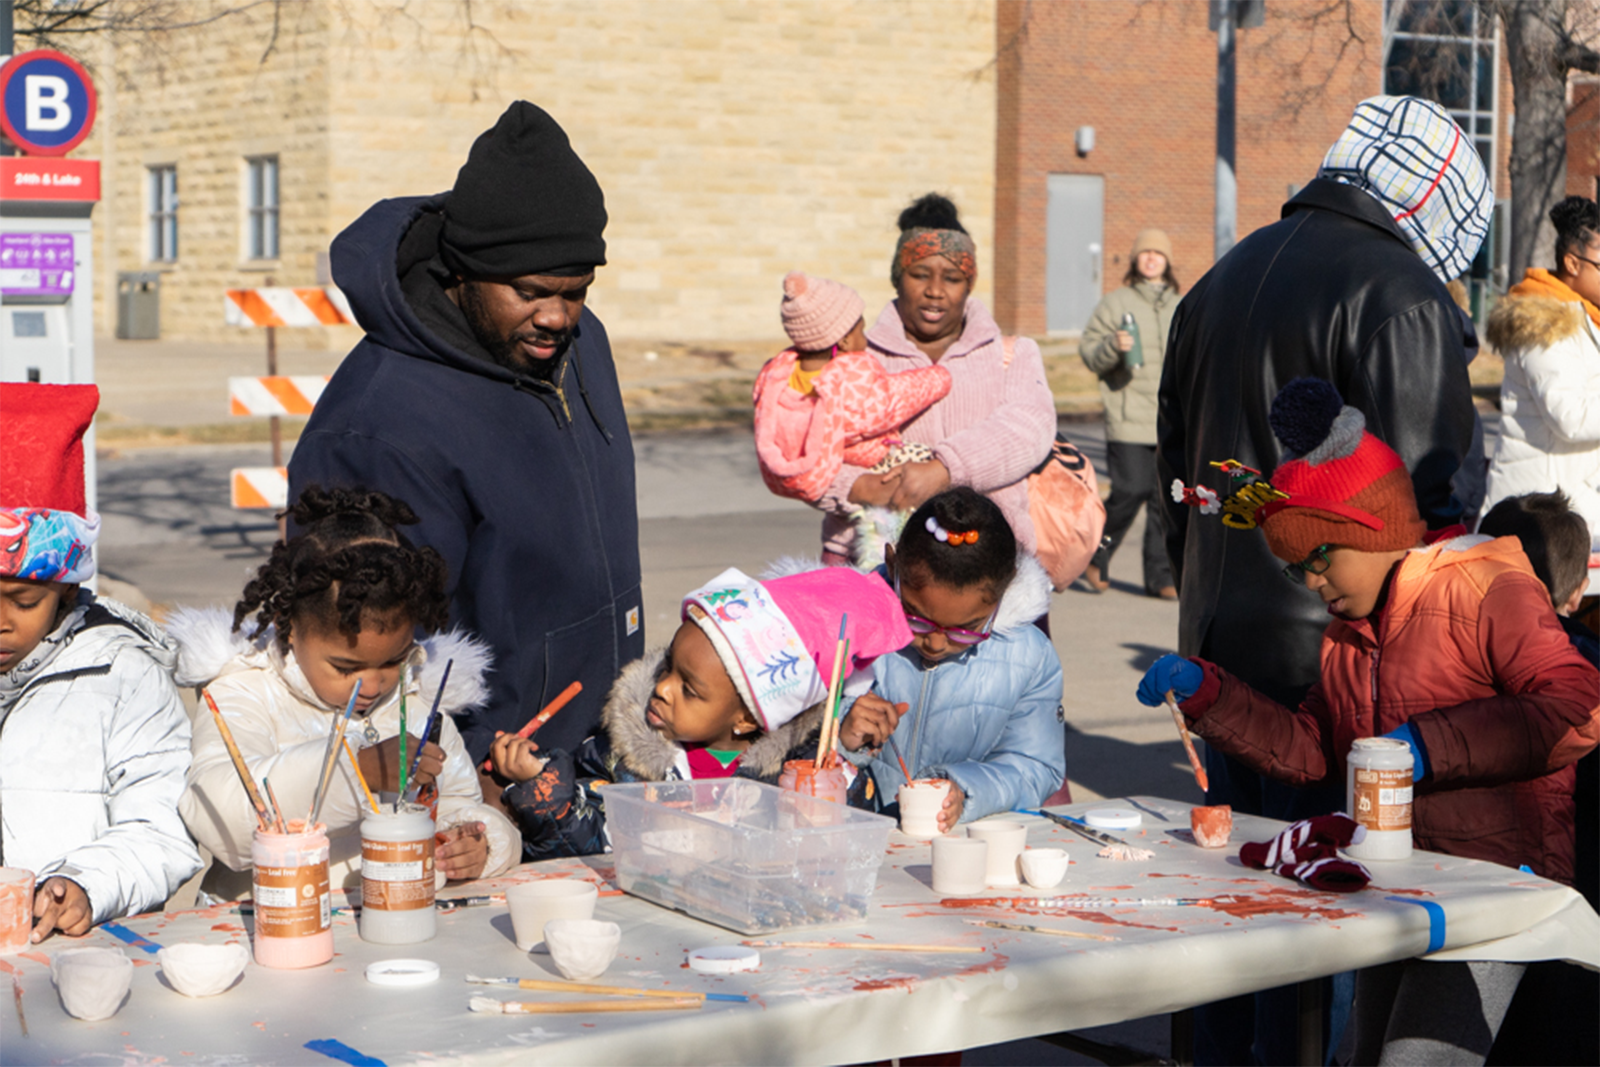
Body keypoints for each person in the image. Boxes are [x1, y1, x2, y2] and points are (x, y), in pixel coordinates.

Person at [1156, 96, 1488, 1063]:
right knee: (1328, 920)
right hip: (1339, 661)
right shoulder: (1402, 297)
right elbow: (1429, 502)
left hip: (1219, 641)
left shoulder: (1221, 277)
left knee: (1235, 899)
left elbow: (1187, 481)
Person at [1141, 378, 1600, 1066]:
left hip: (1495, 887)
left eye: (1319, 560)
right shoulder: (1350, 636)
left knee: (1417, 1059)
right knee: (1358, 1055)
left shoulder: (1485, 586)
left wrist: (1430, 745)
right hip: (1401, 880)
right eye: (1296, 571)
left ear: (1373, 527)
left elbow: (1577, 707)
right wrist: (1211, 693)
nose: (1313, 584)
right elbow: (1309, 751)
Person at [288, 100, 642, 765]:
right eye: (533, 291)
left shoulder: (577, 343)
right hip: (482, 780)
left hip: (597, 754)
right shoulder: (378, 425)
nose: (559, 317)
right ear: (464, 271)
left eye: (578, 290)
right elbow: (355, 656)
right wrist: (461, 779)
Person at [173, 486, 519, 901]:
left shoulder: (415, 693)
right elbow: (222, 822)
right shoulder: (243, 690)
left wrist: (479, 842)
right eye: (345, 668)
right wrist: (358, 771)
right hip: (268, 924)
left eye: (392, 661)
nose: (372, 686)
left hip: (391, 925)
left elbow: (458, 800)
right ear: (290, 628)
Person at [486, 566, 911, 860]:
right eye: (668, 666)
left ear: (746, 719)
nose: (663, 688)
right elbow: (587, 842)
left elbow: (847, 837)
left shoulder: (792, 770)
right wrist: (543, 789)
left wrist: (843, 765)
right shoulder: (622, 759)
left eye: (689, 689)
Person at [0, 383, 201, 943]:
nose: (1, 622)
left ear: (65, 592)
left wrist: (85, 884)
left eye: (23, 601)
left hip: (65, 964)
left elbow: (159, 828)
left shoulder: (122, 676)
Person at [814, 193, 1057, 565]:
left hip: (987, 564)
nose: (935, 290)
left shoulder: (1011, 354)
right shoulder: (852, 356)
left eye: (953, 278)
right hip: (868, 564)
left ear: (969, 284)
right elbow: (802, 452)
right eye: (920, 274)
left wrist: (944, 471)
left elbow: (1028, 430)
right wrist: (858, 487)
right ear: (898, 278)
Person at [840, 488, 1065, 831]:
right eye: (916, 617)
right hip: (852, 839)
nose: (935, 642)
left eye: (966, 629)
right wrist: (842, 733)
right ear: (892, 565)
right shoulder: (847, 625)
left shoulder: (1028, 656)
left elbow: (1037, 766)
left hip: (964, 847)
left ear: (1002, 595)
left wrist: (968, 789)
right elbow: (776, 736)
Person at [1475, 491, 1598, 1066]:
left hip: (1478, 893)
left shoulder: (1459, 646)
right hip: (1570, 902)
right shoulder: (1584, 664)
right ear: (1577, 592)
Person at [753, 271, 952, 506]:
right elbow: (893, 399)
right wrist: (940, 377)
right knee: (933, 467)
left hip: (817, 465)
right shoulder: (850, 377)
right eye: (861, 330)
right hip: (874, 462)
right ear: (845, 341)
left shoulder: (778, 376)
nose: (866, 340)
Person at [1481, 196, 1600, 541]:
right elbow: (1571, 418)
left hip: (1571, 507)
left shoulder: (1587, 320)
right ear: (1572, 263)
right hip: (1536, 514)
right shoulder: (1544, 323)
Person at [1077, 228, 1181, 598]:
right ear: (1135, 260)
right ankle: (1094, 552)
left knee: (1162, 500)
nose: (1151, 258)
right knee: (1129, 490)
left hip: (1168, 418)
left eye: (1158, 252)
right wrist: (1112, 346)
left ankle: (1160, 577)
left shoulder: (1178, 304)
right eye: (1145, 252)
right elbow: (1089, 352)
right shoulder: (1115, 303)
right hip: (1128, 415)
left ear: (1167, 261)